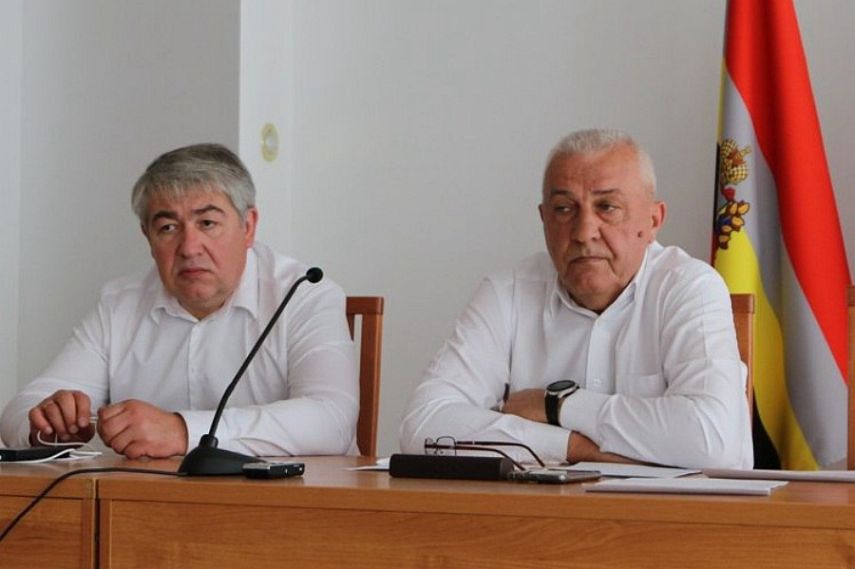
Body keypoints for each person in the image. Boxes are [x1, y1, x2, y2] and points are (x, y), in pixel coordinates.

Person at [399, 129, 752, 469]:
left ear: (653, 221)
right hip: (537, 511)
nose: (584, 233)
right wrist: (574, 448)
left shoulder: (689, 287)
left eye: (607, 207)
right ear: (543, 220)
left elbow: (713, 440)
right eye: (564, 209)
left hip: (670, 511)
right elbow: (423, 426)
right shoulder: (507, 293)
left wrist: (556, 406)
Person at [0, 144, 358, 459]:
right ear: (147, 236)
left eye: (207, 223)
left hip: (285, 504)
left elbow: (332, 420)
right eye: (168, 228)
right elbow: (18, 413)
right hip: (150, 504)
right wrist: (47, 424)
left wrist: (183, 431)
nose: (189, 248)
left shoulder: (304, 295)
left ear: (248, 226)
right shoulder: (120, 305)